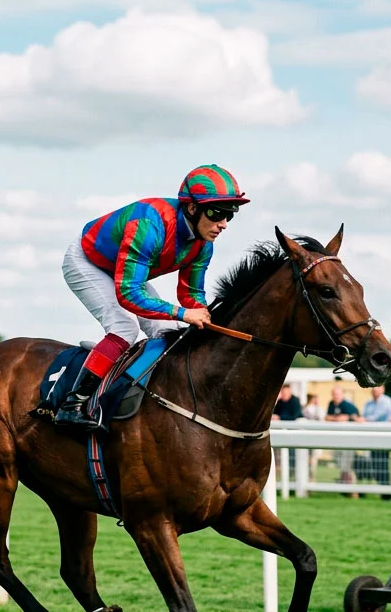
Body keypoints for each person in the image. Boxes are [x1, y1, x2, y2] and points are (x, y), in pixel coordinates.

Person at [53, 164, 250, 428]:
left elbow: (190, 293)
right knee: (124, 329)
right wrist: (183, 313)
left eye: (230, 215)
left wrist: (207, 319)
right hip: (89, 261)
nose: (223, 224)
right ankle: (72, 403)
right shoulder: (149, 227)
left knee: (167, 332)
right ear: (192, 208)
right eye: (217, 213)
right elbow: (128, 294)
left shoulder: (203, 244)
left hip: (127, 270)